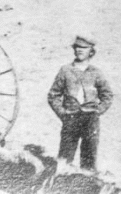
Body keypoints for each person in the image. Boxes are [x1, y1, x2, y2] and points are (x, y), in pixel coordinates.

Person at [48, 36, 114, 171]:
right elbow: (53, 95)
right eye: (77, 47)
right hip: (71, 118)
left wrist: (97, 111)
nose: (80, 50)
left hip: (90, 120)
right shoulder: (65, 70)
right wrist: (63, 113)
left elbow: (107, 95)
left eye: (84, 48)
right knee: (64, 159)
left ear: (91, 51)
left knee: (89, 160)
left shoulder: (96, 73)